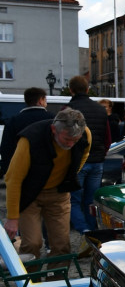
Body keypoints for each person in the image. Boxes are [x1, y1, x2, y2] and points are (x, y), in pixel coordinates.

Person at [3, 109, 90, 258]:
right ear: (53, 129)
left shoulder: (85, 135)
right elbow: (13, 179)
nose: (70, 144)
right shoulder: (30, 139)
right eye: (66, 139)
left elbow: (84, 154)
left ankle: (57, 280)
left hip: (59, 193)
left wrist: (69, 175)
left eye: (75, 140)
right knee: (32, 243)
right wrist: (12, 217)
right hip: (30, 195)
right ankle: (31, 280)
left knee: (62, 244)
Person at [66, 75, 111, 233]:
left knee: (73, 200)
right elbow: (107, 138)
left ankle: (83, 228)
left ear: (71, 90)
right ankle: (92, 231)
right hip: (97, 161)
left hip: (77, 162)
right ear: (87, 89)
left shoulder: (68, 111)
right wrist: (101, 154)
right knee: (91, 201)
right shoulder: (100, 109)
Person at [0, 87, 51, 177]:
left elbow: (6, 148)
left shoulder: (13, 121)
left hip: (21, 169)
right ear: (40, 100)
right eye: (45, 99)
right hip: (48, 170)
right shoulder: (53, 119)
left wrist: (7, 170)